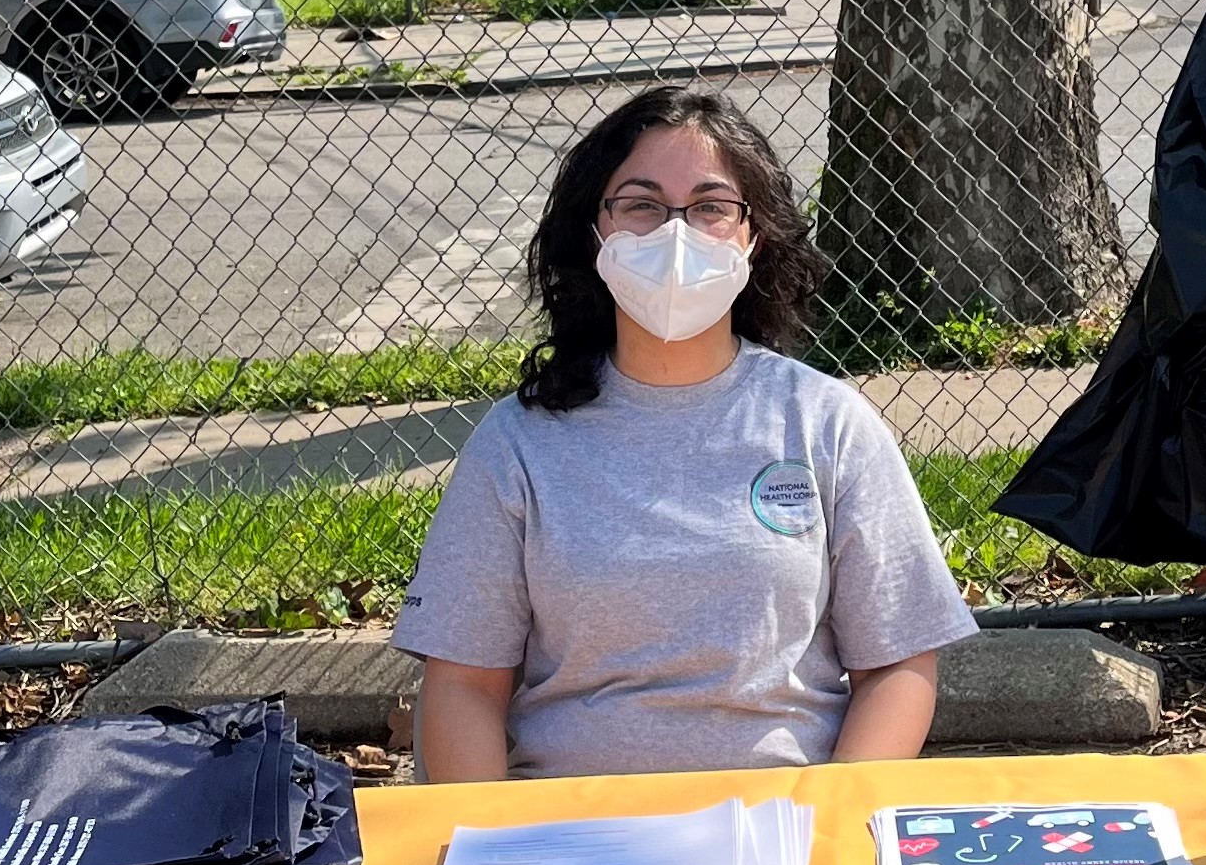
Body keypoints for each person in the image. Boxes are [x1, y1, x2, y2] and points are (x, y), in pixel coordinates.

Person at [397, 85, 977, 779]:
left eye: (709, 208)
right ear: (596, 232)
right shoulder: (518, 442)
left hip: (783, 829)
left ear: (752, 235)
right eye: (641, 204)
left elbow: (899, 664)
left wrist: (827, 819)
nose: (675, 235)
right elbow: (463, 685)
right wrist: (491, 850)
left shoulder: (827, 424)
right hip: (566, 833)